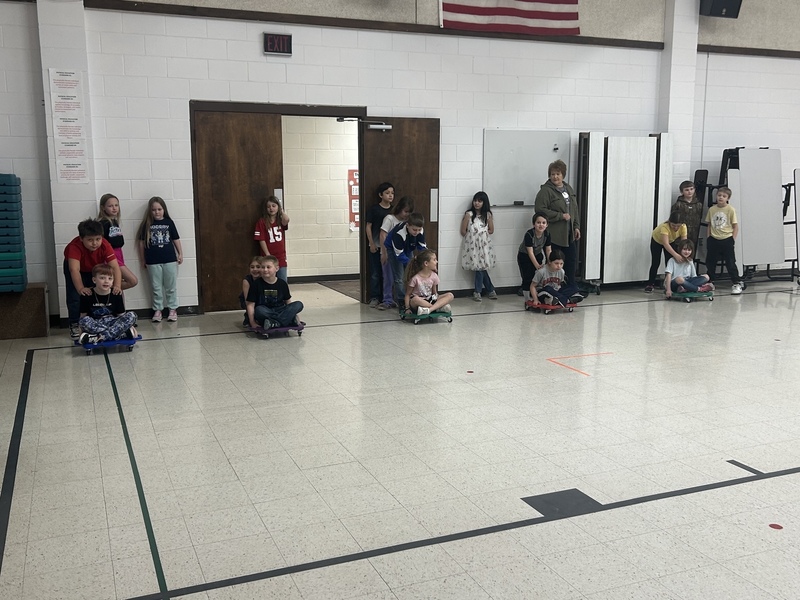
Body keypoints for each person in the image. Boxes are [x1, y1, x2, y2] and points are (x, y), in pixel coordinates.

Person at [63, 219, 123, 338]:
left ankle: (98, 321)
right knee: (75, 296)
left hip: (94, 267)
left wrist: (117, 286)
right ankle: (75, 323)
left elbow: (115, 267)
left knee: (96, 292)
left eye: (98, 239)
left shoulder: (105, 245)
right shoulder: (74, 247)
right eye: (90, 240)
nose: (95, 243)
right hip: (76, 267)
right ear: (81, 238)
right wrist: (80, 288)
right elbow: (74, 270)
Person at [137, 196, 182, 322]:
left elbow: (176, 239)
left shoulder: (169, 222)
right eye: (153, 210)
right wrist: (142, 259)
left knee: (170, 286)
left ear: (164, 209)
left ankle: (172, 309)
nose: (156, 212)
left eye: (159, 209)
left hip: (169, 260)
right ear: (149, 211)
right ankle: (158, 310)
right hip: (152, 261)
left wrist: (180, 253)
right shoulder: (146, 224)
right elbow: (141, 243)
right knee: (156, 287)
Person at [534, 159, 580, 285]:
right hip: (554, 236)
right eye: (552, 174)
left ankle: (571, 287)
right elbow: (540, 210)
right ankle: (553, 287)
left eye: (558, 174)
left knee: (571, 261)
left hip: (569, 235)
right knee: (554, 263)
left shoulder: (568, 189)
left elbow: (574, 209)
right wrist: (560, 216)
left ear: (563, 175)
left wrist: (576, 226)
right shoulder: (545, 191)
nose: (555, 177)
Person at [77, 264, 138, 345]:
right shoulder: (87, 294)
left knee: (132, 315)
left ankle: (97, 337)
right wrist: (81, 332)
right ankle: (119, 335)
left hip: (113, 322)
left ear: (113, 281)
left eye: (110, 278)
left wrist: (130, 326)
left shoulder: (116, 293)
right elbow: (83, 316)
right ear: (94, 280)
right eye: (102, 278)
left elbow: (121, 316)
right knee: (83, 321)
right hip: (96, 323)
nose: (106, 281)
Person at [245, 255, 304, 330]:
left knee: (298, 304)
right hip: (265, 311)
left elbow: (288, 301)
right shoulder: (256, 284)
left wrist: (295, 314)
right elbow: (250, 305)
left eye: (268, 267)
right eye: (263, 267)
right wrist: (252, 322)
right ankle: (288, 320)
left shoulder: (282, 283)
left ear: (277, 268)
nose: (265, 270)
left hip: (280, 309)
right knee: (259, 310)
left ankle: (274, 323)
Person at [705, 186, 744, 295]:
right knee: (710, 262)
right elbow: (709, 225)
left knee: (730, 262)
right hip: (713, 239)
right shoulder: (712, 209)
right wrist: (708, 237)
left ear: (728, 198)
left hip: (726, 239)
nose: (721, 198)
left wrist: (732, 239)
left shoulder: (730, 209)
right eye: (719, 195)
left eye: (724, 196)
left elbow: (735, 226)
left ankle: (736, 282)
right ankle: (710, 282)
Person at [377, 196, 414, 310]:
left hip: (403, 252)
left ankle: (405, 299)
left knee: (405, 276)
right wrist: (384, 253)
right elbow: (383, 234)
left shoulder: (408, 222)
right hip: (390, 252)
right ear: (399, 208)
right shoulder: (390, 218)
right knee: (389, 277)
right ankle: (387, 300)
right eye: (405, 211)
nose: (407, 214)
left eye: (409, 212)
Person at [461, 191, 497, 302]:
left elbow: (491, 230)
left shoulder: (487, 215)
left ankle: (483, 291)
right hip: (472, 246)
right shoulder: (469, 214)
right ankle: (484, 290)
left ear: (484, 202)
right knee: (479, 268)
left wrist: (482, 234)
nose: (477, 203)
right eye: (475, 200)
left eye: (479, 201)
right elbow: (463, 230)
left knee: (481, 268)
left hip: (484, 246)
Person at [97, 193, 138, 290]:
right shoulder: (103, 223)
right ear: (103, 208)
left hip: (118, 253)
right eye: (110, 206)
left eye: (116, 205)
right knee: (132, 281)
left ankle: (114, 295)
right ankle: (107, 288)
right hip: (110, 256)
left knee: (118, 282)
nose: (114, 208)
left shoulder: (114, 222)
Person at [366, 182, 394, 307]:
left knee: (388, 274)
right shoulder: (374, 209)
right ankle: (374, 297)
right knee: (375, 272)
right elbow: (368, 226)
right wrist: (371, 243)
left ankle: (387, 298)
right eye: (387, 193)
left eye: (392, 193)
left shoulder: (394, 210)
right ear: (380, 195)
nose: (390, 195)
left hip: (389, 248)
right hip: (376, 245)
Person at [645, 211, 687, 293]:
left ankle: (669, 284)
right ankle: (650, 284)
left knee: (670, 263)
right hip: (657, 241)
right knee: (656, 262)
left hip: (671, 240)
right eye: (673, 225)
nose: (675, 228)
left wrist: (684, 254)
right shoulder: (665, 227)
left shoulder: (683, 227)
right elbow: (665, 244)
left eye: (678, 226)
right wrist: (676, 255)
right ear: (669, 222)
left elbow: (684, 243)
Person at [403, 249, 453, 315]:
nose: (437, 261)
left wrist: (438, 299)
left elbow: (434, 294)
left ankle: (429, 309)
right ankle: (438, 308)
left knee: (450, 295)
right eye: (434, 260)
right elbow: (408, 294)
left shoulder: (434, 276)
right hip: (419, 301)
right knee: (415, 299)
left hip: (430, 299)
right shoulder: (415, 278)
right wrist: (407, 308)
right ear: (426, 263)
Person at [253, 195, 290, 281]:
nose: (271, 208)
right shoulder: (262, 222)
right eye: (268, 206)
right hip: (268, 256)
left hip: (280, 257)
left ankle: (282, 295)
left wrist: (281, 211)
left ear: (278, 207)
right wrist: (267, 254)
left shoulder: (280, 220)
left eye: (274, 206)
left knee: (282, 280)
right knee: (268, 279)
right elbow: (261, 239)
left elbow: (287, 220)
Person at [517, 211, 552, 299]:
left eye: (543, 223)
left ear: (547, 225)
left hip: (538, 254)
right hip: (524, 256)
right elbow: (530, 252)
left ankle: (536, 296)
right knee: (527, 277)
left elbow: (548, 250)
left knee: (537, 277)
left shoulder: (547, 234)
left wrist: (550, 262)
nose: (541, 225)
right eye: (538, 222)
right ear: (534, 224)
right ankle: (527, 299)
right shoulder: (529, 234)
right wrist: (536, 265)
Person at [671, 180, 703, 247]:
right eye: (687, 190)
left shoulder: (699, 205)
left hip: (695, 232)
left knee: (691, 250)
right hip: (681, 233)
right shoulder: (678, 205)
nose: (689, 192)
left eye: (691, 189)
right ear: (682, 192)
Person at [238, 256, 263, 326]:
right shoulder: (247, 281)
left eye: (258, 267)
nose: (255, 269)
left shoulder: (265, 278)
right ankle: (249, 317)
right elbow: (247, 301)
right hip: (249, 301)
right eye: (252, 267)